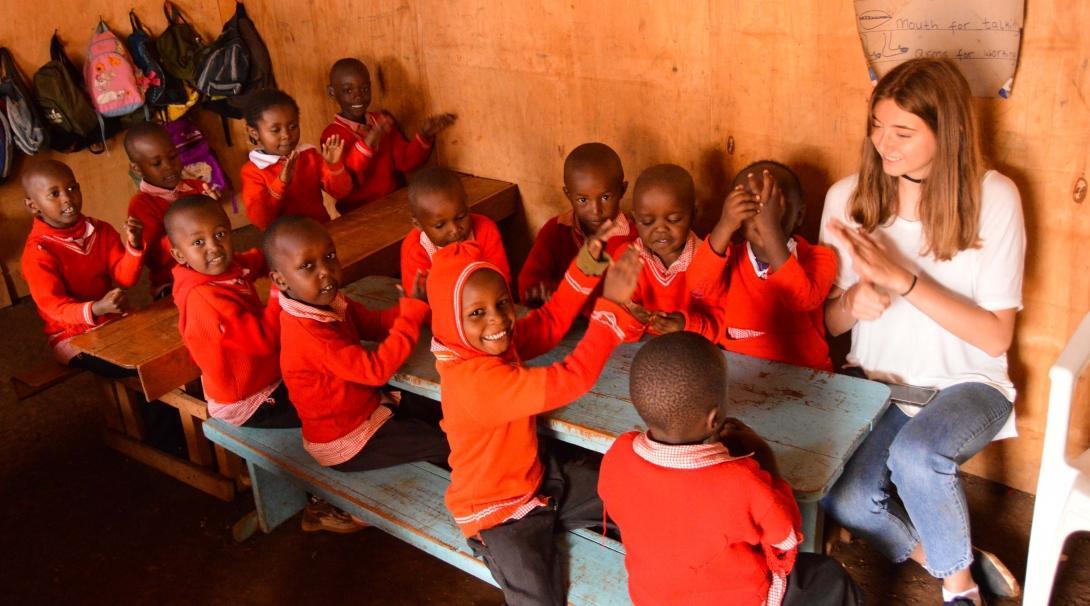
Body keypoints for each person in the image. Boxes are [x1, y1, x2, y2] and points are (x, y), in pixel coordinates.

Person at [818, 58, 1025, 606]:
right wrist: (852, 303)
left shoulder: (994, 198)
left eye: (903, 132)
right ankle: (944, 551)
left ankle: (961, 592)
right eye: (878, 125)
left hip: (970, 386)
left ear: (947, 131)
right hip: (881, 388)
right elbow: (826, 323)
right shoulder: (848, 199)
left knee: (917, 456)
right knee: (844, 498)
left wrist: (904, 280)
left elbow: (996, 338)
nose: (884, 143)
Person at [427, 225, 643, 606]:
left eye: (502, 303)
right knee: (541, 600)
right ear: (450, 321)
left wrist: (585, 269)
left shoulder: (483, 347)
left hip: (538, 481)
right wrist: (609, 312)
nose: (497, 320)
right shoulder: (476, 380)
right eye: (477, 313)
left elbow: (547, 324)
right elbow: (570, 378)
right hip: (500, 516)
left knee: (627, 493)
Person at [599, 331, 864, 606]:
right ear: (714, 419)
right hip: (741, 599)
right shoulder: (742, 481)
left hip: (652, 598)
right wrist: (764, 457)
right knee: (830, 576)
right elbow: (786, 539)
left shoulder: (618, 454)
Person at [264, 216, 449, 472]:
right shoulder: (309, 334)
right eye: (307, 266)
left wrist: (415, 307)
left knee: (441, 410)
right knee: (447, 445)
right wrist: (410, 316)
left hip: (367, 408)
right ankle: (477, 500)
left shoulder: (329, 302)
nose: (325, 271)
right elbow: (375, 371)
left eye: (330, 257)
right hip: (349, 441)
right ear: (281, 280)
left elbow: (374, 324)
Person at [684, 162, 837, 370]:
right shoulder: (729, 260)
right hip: (740, 375)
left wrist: (769, 227)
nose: (761, 215)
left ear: (799, 215)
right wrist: (725, 225)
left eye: (773, 206)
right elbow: (697, 288)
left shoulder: (819, 257)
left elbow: (801, 300)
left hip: (807, 381)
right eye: (751, 204)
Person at [166, 194, 297, 429]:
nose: (214, 247)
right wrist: (279, 290)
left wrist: (281, 255)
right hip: (248, 401)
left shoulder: (225, 268)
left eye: (219, 234)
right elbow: (265, 339)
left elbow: (254, 261)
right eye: (198, 242)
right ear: (179, 255)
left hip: (265, 376)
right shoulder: (205, 300)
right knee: (326, 405)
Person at [20, 159, 144, 375]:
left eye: (72, 188)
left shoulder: (100, 230)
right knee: (137, 366)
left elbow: (125, 279)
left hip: (112, 319)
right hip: (71, 335)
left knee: (164, 346)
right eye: (54, 194)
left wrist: (133, 246)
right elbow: (55, 308)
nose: (68, 198)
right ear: (33, 205)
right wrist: (97, 309)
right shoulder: (38, 252)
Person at [322, 58, 456, 214]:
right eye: (348, 90)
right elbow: (346, 183)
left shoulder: (380, 121)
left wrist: (425, 136)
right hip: (358, 213)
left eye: (364, 89)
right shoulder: (332, 135)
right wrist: (369, 142)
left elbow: (405, 161)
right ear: (332, 92)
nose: (358, 96)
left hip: (394, 203)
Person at [517, 142, 636, 307]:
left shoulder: (633, 240)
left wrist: (566, 294)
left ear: (622, 190)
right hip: (562, 323)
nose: (595, 210)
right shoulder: (557, 230)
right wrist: (539, 291)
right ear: (568, 195)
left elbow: (624, 300)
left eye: (605, 197)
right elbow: (529, 281)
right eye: (582, 200)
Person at [125, 121, 219, 299]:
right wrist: (192, 225)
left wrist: (215, 210)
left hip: (210, 267)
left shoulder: (197, 187)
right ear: (137, 168)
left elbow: (220, 231)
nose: (169, 166)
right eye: (157, 163)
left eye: (173, 156)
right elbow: (155, 259)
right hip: (171, 281)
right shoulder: (142, 205)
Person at [240, 89, 352, 229]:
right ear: (254, 132)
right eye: (275, 130)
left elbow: (341, 192)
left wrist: (334, 166)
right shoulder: (253, 171)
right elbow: (261, 221)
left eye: (293, 126)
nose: (287, 135)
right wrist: (281, 183)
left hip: (321, 231)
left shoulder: (308, 154)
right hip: (286, 245)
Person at [626, 163, 715, 335]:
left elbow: (718, 322)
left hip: (694, 353)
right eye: (647, 222)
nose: (660, 229)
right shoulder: (629, 258)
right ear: (635, 219)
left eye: (674, 219)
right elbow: (613, 320)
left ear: (693, 215)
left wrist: (686, 326)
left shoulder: (707, 261)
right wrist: (634, 317)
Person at [400, 166, 509, 298]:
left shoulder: (485, 229)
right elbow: (418, 303)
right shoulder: (416, 248)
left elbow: (502, 282)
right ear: (418, 225)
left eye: (461, 217)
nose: (455, 230)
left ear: (467, 205)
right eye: (440, 225)